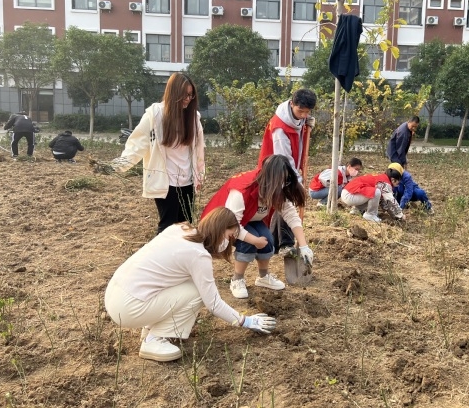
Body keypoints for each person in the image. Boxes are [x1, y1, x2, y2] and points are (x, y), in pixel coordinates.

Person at [104, 207, 277, 362]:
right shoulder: (198, 255)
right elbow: (213, 303)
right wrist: (245, 321)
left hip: (116, 293)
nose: (228, 242)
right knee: (196, 292)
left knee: (186, 283)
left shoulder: (180, 229)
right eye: (229, 236)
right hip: (128, 307)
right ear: (219, 231)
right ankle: (155, 339)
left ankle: (150, 328)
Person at [202, 154, 314, 299]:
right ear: (268, 178)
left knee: (267, 239)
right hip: (224, 225)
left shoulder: (279, 188)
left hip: (251, 219)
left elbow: (291, 215)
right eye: (279, 181)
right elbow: (233, 226)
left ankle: (263, 277)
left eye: (284, 181)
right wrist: (254, 241)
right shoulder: (242, 189)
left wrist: (304, 246)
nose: (281, 185)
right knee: (249, 242)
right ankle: (237, 279)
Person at [109, 72, 205, 234]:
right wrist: (116, 166)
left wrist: (199, 175)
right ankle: (162, 257)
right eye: (184, 95)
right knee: (167, 226)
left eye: (191, 95)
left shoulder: (193, 117)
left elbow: (199, 149)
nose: (188, 99)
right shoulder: (155, 115)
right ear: (173, 94)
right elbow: (137, 144)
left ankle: (180, 257)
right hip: (165, 181)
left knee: (186, 224)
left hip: (187, 180)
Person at [257, 88, 317, 251]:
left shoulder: (299, 118)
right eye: (301, 111)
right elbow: (284, 158)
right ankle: (285, 243)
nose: (304, 115)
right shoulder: (280, 128)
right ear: (291, 104)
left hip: (288, 167)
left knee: (282, 203)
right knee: (284, 200)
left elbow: (300, 131)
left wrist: (307, 123)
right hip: (276, 169)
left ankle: (278, 241)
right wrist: (296, 179)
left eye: (308, 112)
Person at [340, 165, 405, 223]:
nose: (397, 185)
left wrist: (394, 216)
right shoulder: (385, 183)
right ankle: (370, 214)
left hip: (348, 193)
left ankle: (357, 210)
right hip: (350, 195)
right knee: (376, 192)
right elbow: (390, 200)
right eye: (398, 183)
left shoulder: (380, 178)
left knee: (373, 194)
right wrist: (400, 215)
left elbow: (383, 202)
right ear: (393, 180)